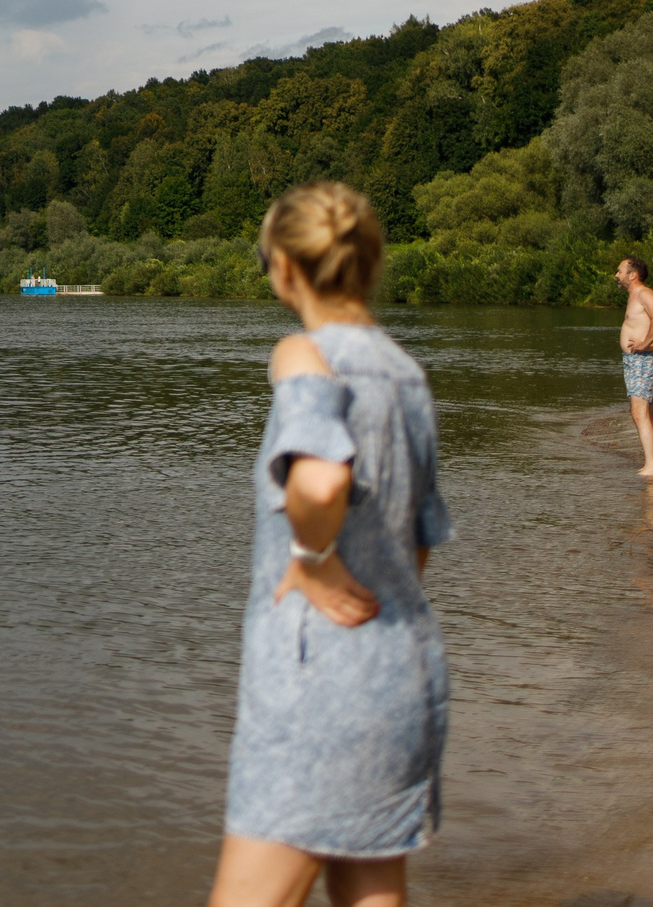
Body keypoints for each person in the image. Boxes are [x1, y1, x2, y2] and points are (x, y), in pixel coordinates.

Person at [213, 183, 453, 907]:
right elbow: (419, 545)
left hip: (318, 689)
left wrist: (313, 560)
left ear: (285, 268)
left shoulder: (303, 356)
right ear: (369, 264)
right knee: (370, 892)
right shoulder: (407, 374)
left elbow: (319, 483)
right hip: (400, 677)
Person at [617, 257, 653, 477]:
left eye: (620, 271)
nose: (617, 275)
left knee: (639, 412)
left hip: (642, 360)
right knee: (644, 412)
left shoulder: (644, 294)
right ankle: (652, 464)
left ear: (633, 275)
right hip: (635, 361)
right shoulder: (634, 296)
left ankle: (652, 467)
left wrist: (644, 343)